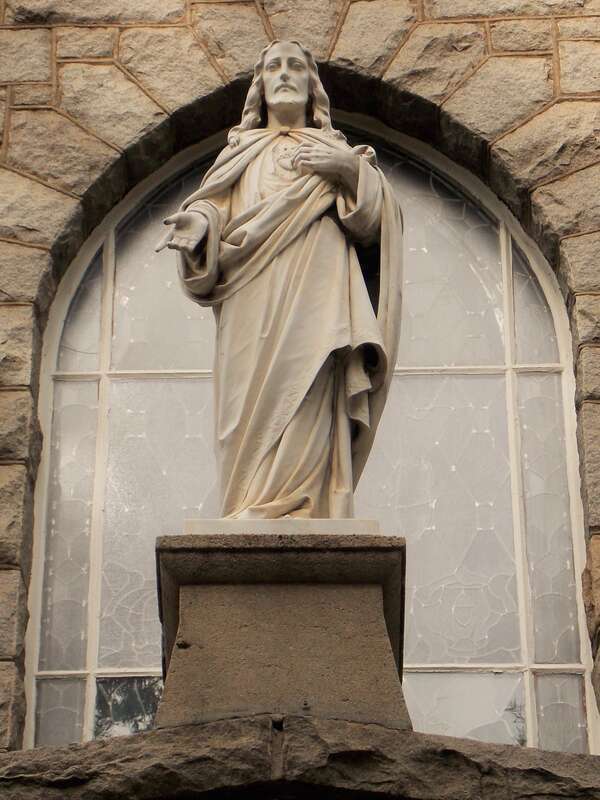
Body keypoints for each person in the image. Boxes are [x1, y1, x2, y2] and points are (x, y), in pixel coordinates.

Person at [156, 40, 403, 519]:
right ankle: (248, 501)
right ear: (261, 87)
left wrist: (349, 171)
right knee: (245, 405)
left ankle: (301, 502)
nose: (285, 74)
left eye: (295, 67)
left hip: (318, 292)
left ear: (313, 87)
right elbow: (214, 205)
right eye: (274, 67)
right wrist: (199, 225)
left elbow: (375, 224)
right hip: (251, 294)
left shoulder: (337, 151)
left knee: (308, 386)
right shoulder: (238, 154)